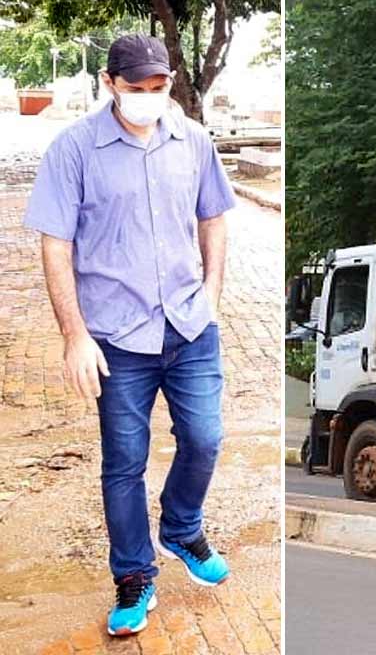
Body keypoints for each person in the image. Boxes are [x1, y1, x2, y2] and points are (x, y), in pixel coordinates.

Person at [23, 34, 236, 636]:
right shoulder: (74, 150)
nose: (149, 98)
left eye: (159, 87)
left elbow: (213, 215)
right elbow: (54, 244)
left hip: (190, 325)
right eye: (136, 89)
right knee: (124, 463)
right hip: (116, 336)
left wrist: (213, 295)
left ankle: (182, 529)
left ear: (170, 81)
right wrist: (74, 337)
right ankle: (134, 577)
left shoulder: (192, 140)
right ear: (111, 84)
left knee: (205, 437)